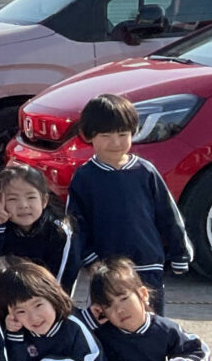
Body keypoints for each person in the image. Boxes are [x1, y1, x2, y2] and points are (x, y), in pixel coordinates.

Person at [65, 94, 192, 315]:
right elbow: (76, 225)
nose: (115, 143)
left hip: (148, 264)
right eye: (105, 135)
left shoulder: (145, 171)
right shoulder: (84, 177)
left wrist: (180, 252)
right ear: (89, 136)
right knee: (109, 319)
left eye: (123, 134)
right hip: (107, 269)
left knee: (150, 320)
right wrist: (89, 259)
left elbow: (168, 214)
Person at [0, 164, 77, 292]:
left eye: (31, 197)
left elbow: (63, 279)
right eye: (13, 199)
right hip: (19, 285)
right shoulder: (3, 224)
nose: (23, 205)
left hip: (51, 290)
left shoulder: (58, 231)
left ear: (44, 200)